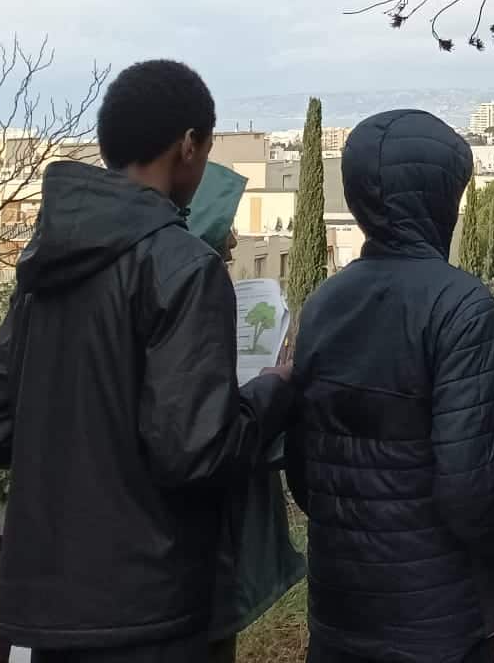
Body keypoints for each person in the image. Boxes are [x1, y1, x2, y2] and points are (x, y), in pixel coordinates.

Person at [0, 59, 294, 663]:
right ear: (188, 146)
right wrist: (276, 389)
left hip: (48, 612)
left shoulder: (44, 264)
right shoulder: (183, 266)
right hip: (152, 609)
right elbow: (195, 450)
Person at [287, 109, 494, 663]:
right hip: (436, 617)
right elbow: (473, 488)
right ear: (443, 198)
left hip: (339, 605)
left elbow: (305, 472)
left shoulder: (324, 303)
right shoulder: (460, 305)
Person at [184, 162, 306, 660]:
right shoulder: (183, 298)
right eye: (224, 225)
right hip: (192, 562)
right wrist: (271, 389)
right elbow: (207, 434)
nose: (234, 241)